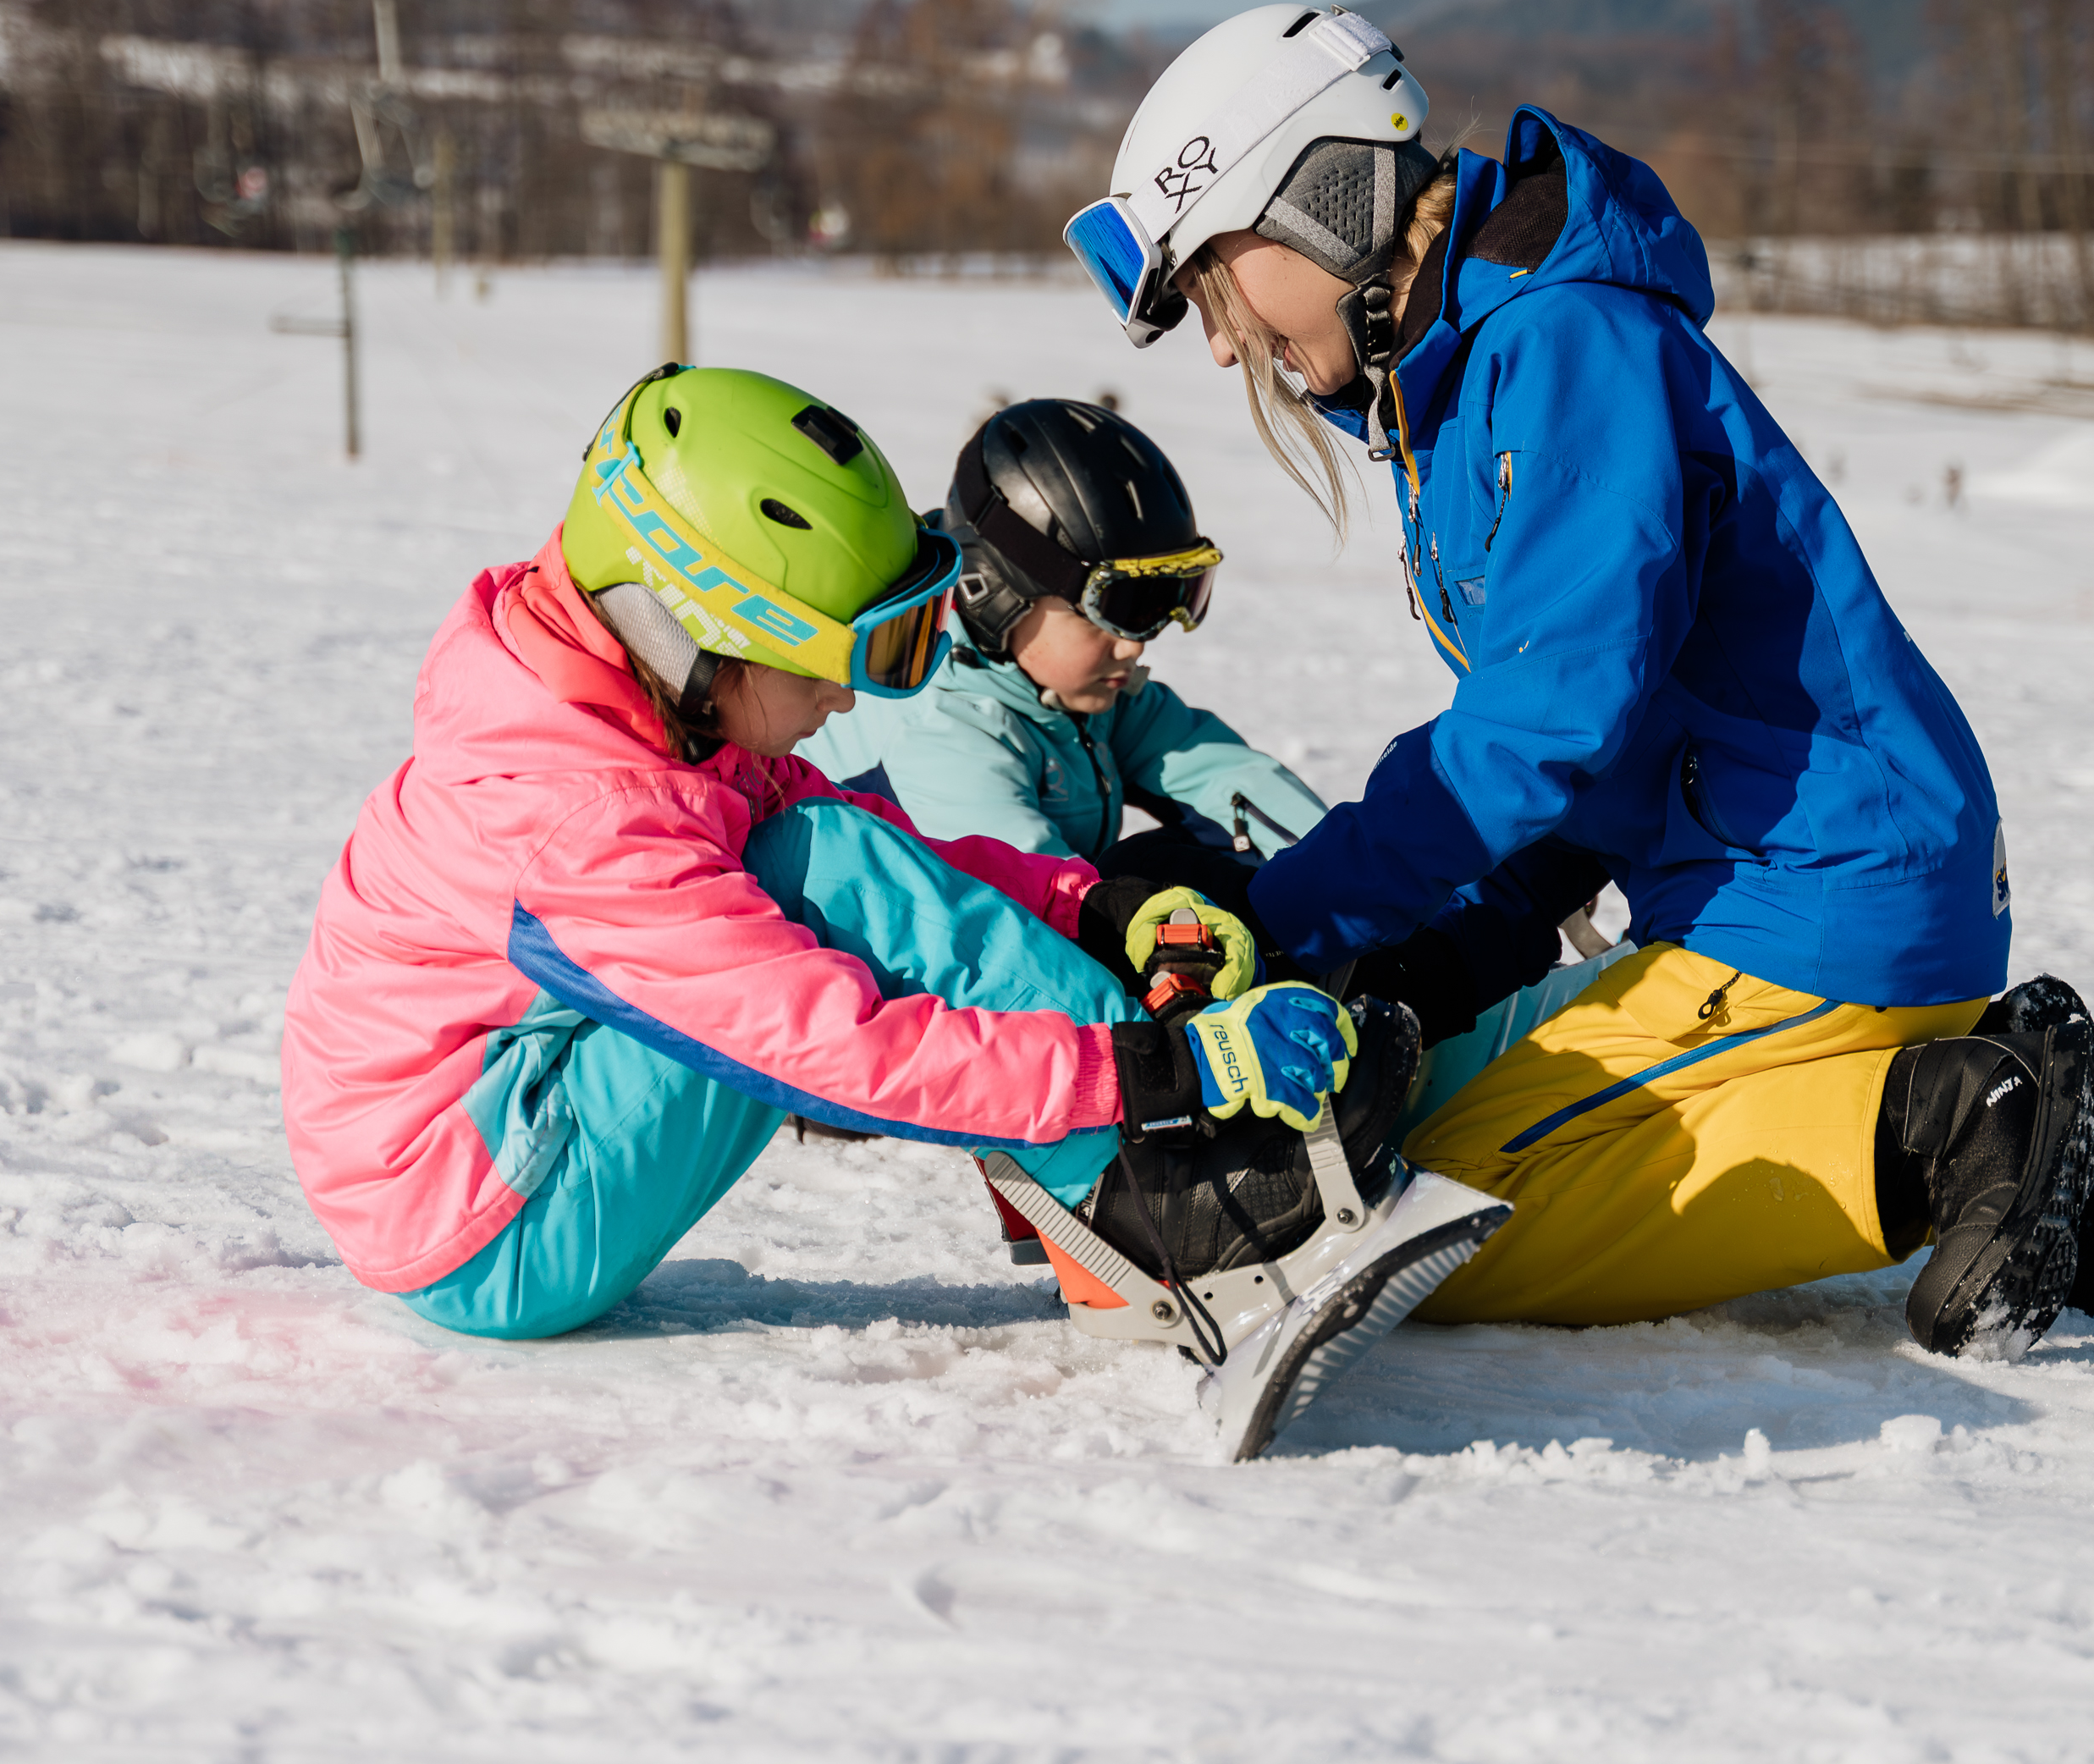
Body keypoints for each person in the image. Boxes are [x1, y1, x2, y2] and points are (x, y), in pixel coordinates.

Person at [1056, 5, 2094, 1357]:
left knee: (1421, 1231)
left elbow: (1545, 726)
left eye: (1222, 288)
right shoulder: (1466, 373)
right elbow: (1598, 730)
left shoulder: (1561, 347)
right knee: (1418, 1153)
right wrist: (1444, 937)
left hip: (1819, 898)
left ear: (1320, 199)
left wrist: (1292, 908)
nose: (1228, 349)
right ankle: (1970, 1097)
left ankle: (1953, 1126)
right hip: (1784, 893)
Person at [274, 361, 1503, 1453]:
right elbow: (833, 1046)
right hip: (487, 1222)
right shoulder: (577, 816)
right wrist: (1157, 1074)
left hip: (510, 1135)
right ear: (707, 636)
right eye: (836, 662)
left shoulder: (630, 712)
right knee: (809, 868)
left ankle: (1151, 1176)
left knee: (821, 841)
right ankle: (1169, 1199)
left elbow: (895, 849)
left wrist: (1096, 906)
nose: (847, 705)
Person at [807, 396, 1330, 879]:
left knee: (1189, 871)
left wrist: (1345, 876)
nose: (1134, 645)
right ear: (994, 594)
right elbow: (1048, 922)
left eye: (1165, 601)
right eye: (1116, 609)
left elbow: (1223, 775)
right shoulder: (939, 733)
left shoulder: (1071, 683)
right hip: (899, 967)